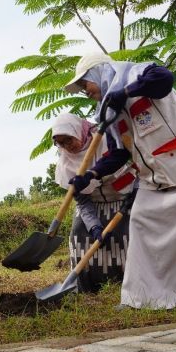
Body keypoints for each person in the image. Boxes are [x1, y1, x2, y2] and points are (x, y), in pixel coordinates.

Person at [64, 53, 176, 309]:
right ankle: (141, 298)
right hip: (156, 176)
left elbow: (164, 79)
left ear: (98, 73)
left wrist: (126, 91)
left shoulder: (137, 74)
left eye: (85, 85)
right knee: (141, 221)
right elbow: (118, 153)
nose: (85, 92)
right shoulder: (109, 114)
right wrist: (91, 175)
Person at [51, 113, 137, 292]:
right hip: (93, 205)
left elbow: (137, 163)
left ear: (78, 132)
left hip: (125, 199)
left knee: (127, 235)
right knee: (78, 233)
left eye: (69, 139)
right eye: (61, 143)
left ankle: (130, 283)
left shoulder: (107, 141)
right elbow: (82, 202)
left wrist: (134, 195)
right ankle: (86, 286)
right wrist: (94, 226)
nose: (68, 146)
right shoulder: (66, 165)